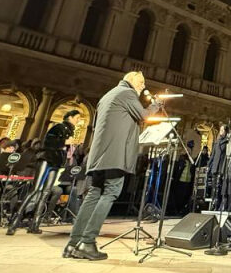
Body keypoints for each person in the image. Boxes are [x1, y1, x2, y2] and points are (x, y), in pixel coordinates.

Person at [65, 71, 160, 261]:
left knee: (93, 195)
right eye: (140, 82)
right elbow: (143, 115)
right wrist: (156, 105)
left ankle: (73, 243)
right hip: (115, 155)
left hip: (99, 156)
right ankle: (88, 241)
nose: (143, 87)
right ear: (131, 81)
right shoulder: (127, 94)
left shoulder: (109, 94)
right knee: (110, 193)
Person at [208, 125, 227, 210]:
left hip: (221, 166)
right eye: (220, 130)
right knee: (214, 186)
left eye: (223, 130)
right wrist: (209, 164)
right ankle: (213, 202)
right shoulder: (217, 141)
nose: (221, 131)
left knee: (219, 186)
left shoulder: (227, 142)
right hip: (215, 166)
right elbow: (213, 154)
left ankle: (218, 204)